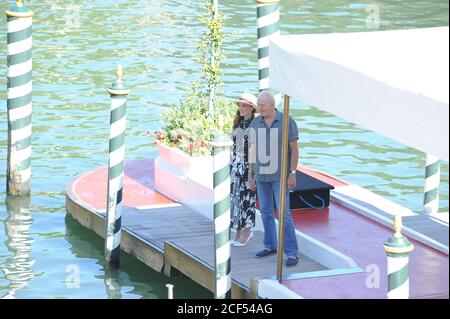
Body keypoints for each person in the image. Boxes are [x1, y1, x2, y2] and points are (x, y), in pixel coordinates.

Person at [248, 91, 299, 267]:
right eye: (258, 105)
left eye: (262, 105)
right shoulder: (255, 123)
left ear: (271, 105)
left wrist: (292, 172)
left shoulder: (286, 121)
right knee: (266, 212)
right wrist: (250, 174)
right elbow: (252, 149)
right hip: (261, 175)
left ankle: (291, 253)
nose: (259, 108)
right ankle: (270, 245)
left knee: (284, 214)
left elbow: (294, 148)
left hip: (280, 175)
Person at [230, 93, 257, 247]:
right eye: (240, 105)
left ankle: (247, 230)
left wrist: (250, 173)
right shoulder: (239, 123)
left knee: (248, 199)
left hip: (248, 166)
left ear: (252, 108)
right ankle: (239, 229)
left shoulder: (254, 124)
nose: (241, 108)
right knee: (237, 199)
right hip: (236, 166)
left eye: (244, 105)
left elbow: (253, 150)